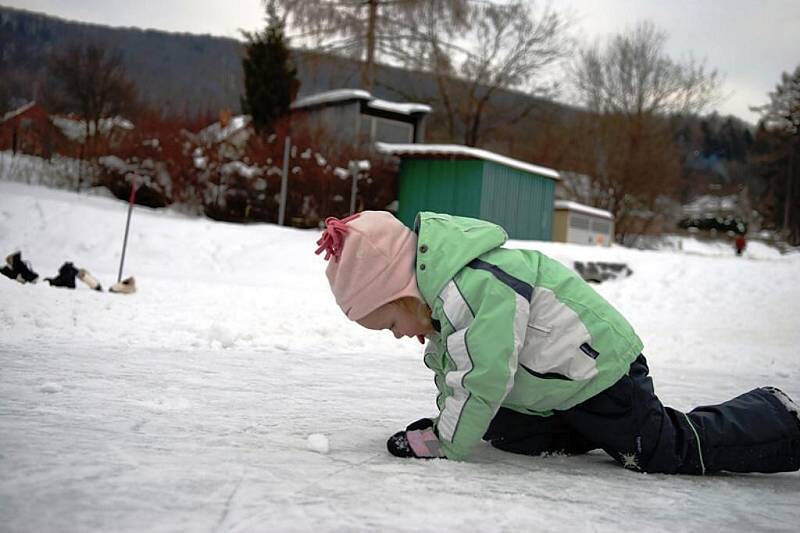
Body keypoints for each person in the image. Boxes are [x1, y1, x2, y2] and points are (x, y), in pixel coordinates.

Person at [315, 211, 800, 474]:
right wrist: (445, 423)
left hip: (598, 372)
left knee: (658, 449)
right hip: (555, 390)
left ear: (400, 292)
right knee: (505, 431)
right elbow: (453, 372)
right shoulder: (442, 302)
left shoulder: (475, 285)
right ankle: (587, 432)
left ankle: (778, 419)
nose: (399, 336)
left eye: (390, 324)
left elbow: (483, 377)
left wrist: (444, 442)